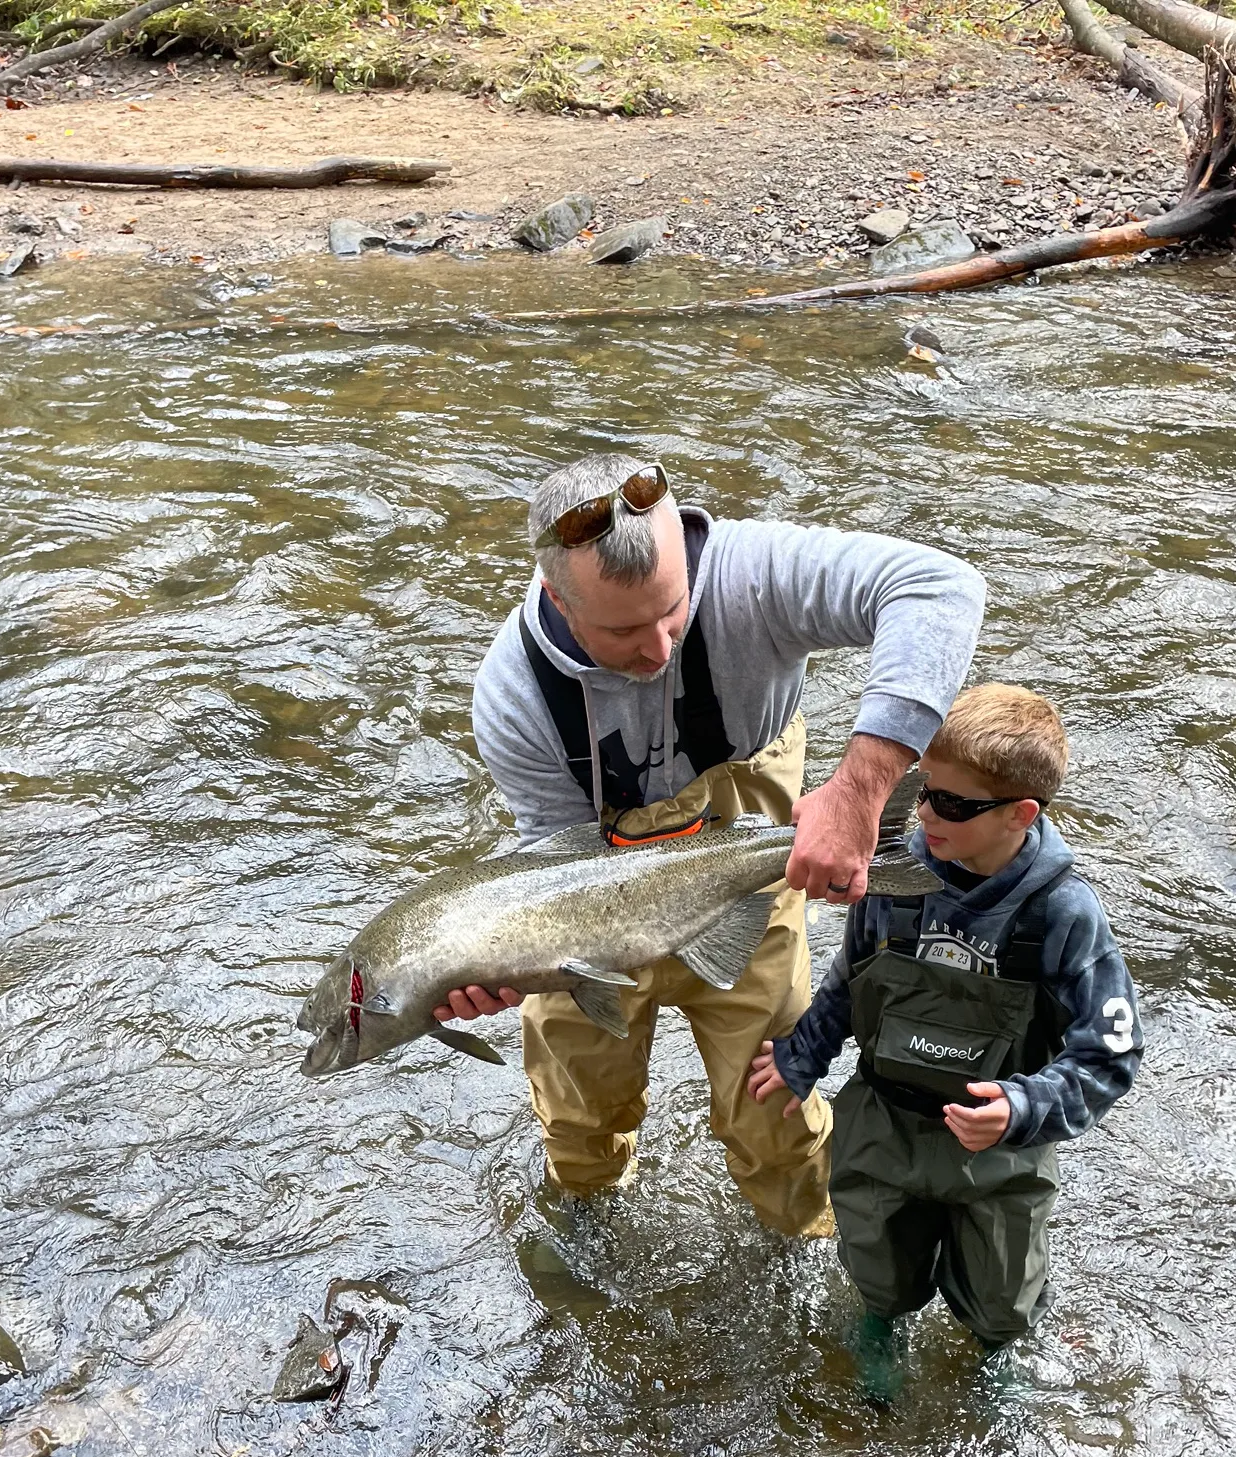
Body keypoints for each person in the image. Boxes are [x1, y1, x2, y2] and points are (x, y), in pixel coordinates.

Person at [435, 454, 986, 1237]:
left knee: (774, 1105)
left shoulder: (753, 574)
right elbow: (554, 868)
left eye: (673, 611)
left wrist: (862, 789)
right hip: (593, 888)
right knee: (578, 1107)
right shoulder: (512, 695)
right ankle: (589, 1227)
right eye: (625, 631)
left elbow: (944, 588)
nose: (659, 649)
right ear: (559, 599)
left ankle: (806, 1246)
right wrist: (505, 969)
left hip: (751, 857)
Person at [748, 683, 1142, 1390]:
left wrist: (1023, 1109)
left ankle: (997, 1361)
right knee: (875, 1257)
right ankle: (877, 1331)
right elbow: (850, 978)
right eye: (925, 789)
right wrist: (802, 1056)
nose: (926, 812)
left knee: (1003, 1293)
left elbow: (1109, 1054)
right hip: (886, 1118)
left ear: (1022, 815)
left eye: (953, 804)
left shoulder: (1063, 915)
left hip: (999, 1148)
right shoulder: (896, 876)